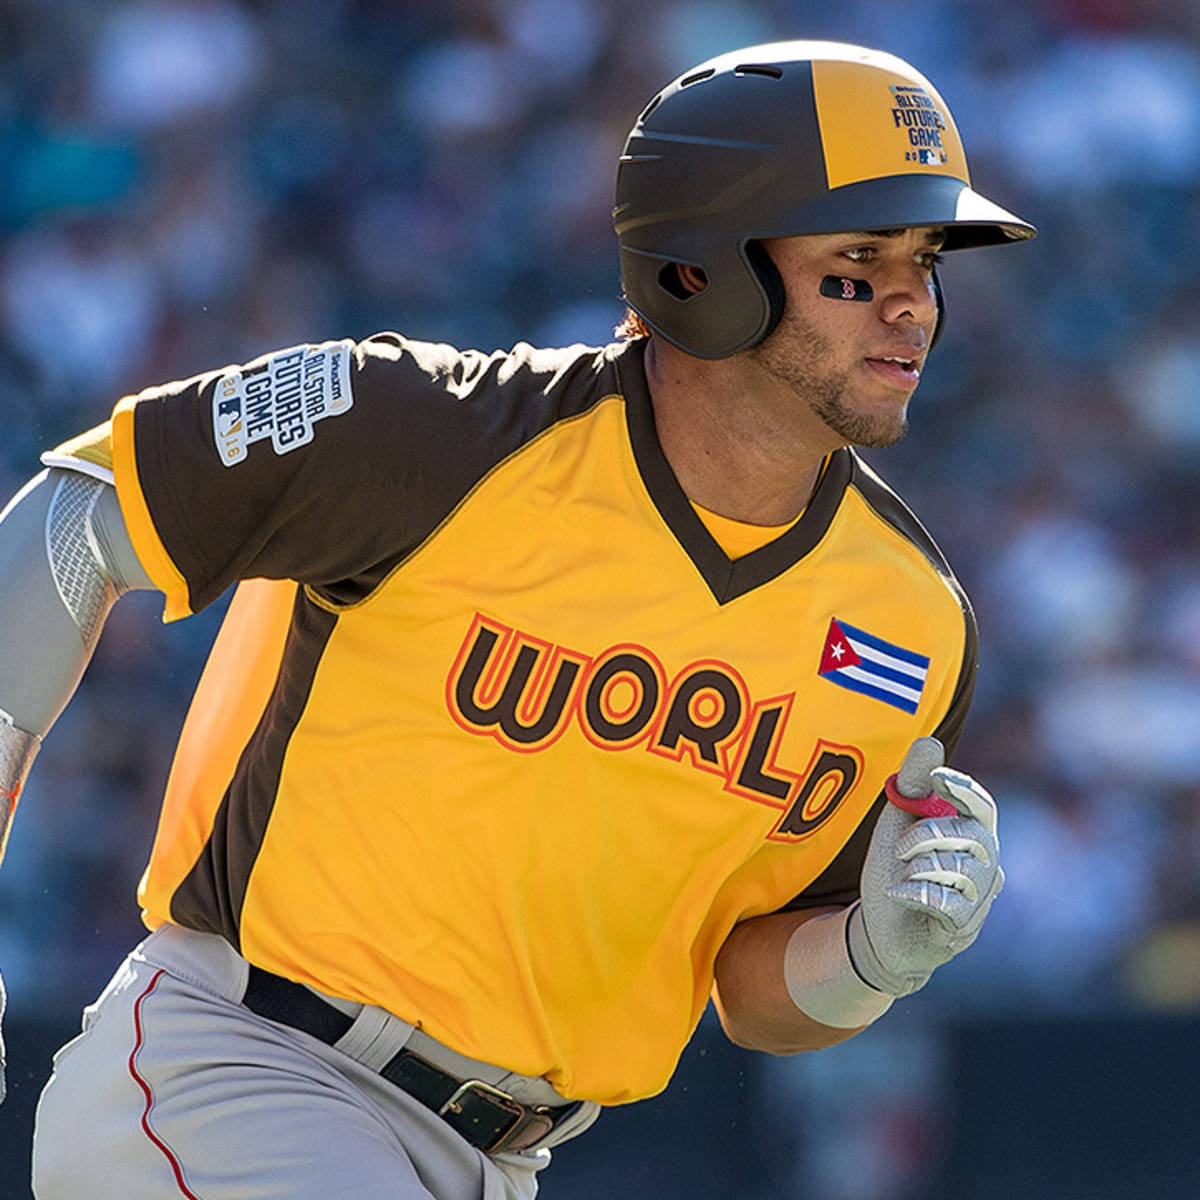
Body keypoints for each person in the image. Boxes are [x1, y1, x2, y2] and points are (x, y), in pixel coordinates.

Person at [0, 40, 1033, 1200]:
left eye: (927, 263)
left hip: (497, 1160)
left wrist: (874, 957)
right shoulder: (431, 432)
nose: (913, 302)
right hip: (243, 1068)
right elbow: (73, 524)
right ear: (699, 269)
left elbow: (749, 989)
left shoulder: (911, 619)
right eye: (858, 260)